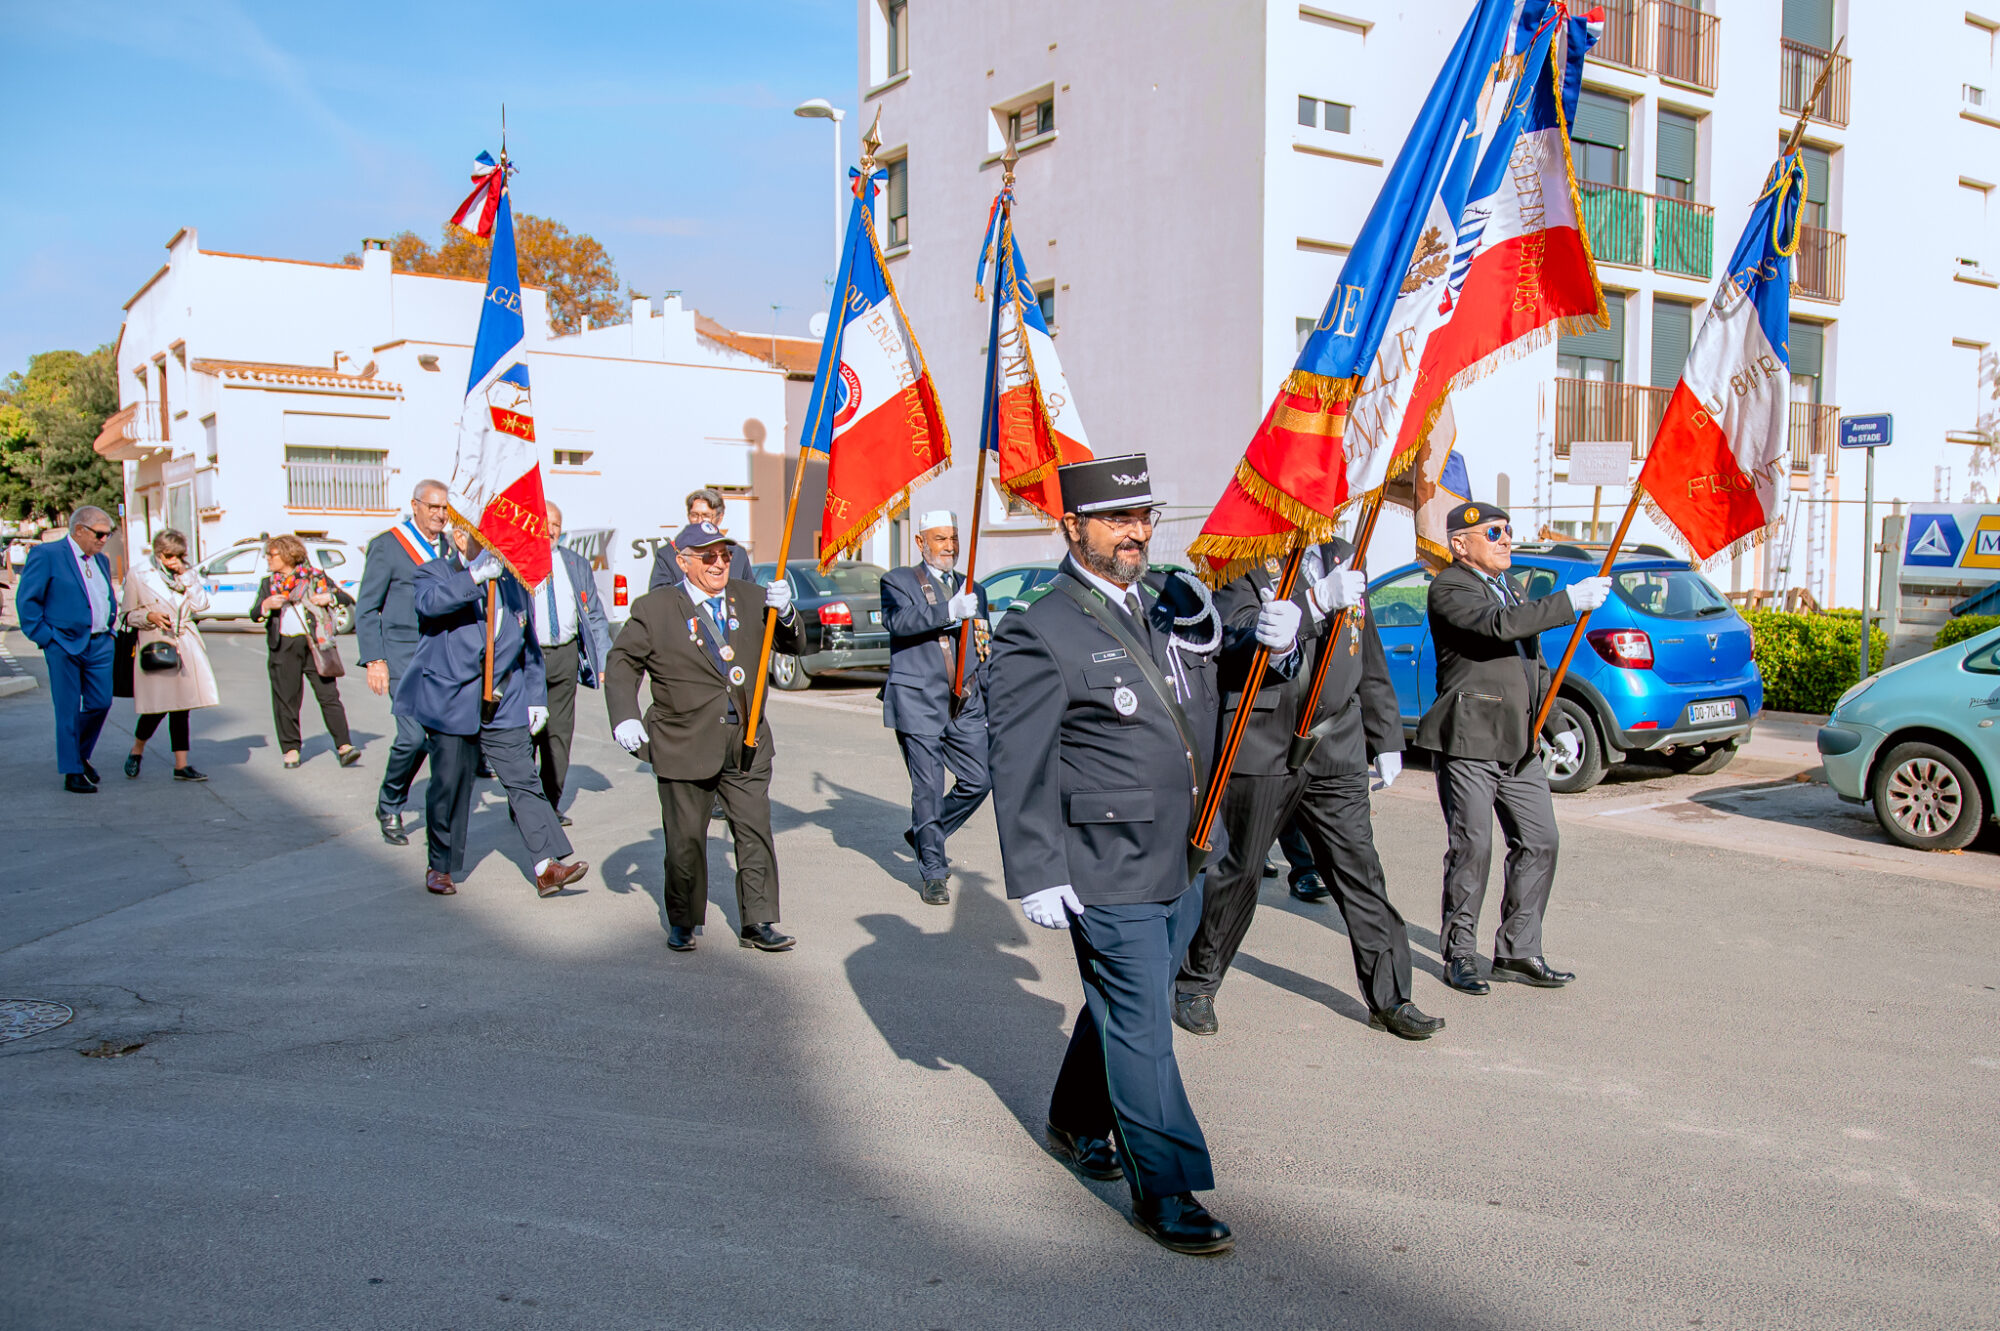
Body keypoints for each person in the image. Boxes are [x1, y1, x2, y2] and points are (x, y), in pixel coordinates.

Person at [986, 453, 1299, 1256]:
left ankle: (1072, 1119)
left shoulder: (1169, 599)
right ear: (1073, 527)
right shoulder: (1040, 626)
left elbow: (1212, 679)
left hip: (1184, 847)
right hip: (1106, 859)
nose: (1136, 532)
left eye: (1142, 517)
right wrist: (1038, 867)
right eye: (1117, 519)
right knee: (1142, 1023)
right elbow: (1018, 757)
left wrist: (1276, 642)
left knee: (1131, 1001)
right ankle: (1165, 1187)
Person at [1174, 538, 1444, 1041]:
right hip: (1264, 737)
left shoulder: (1346, 552)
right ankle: (1196, 982)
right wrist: (1313, 603)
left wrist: (1385, 736)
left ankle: (1391, 997)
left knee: (1360, 871)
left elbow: (1366, 651)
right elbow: (1232, 640)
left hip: (1336, 739)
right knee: (1240, 871)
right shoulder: (1244, 552)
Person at [1416, 502, 1609, 994]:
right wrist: (1569, 600)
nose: (1506, 539)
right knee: (1473, 847)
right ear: (1460, 544)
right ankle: (1460, 952)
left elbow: (1533, 664)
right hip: (1471, 740)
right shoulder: (1451, 586)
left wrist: (1556, 724)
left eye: (1507, 530)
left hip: (1519, 742)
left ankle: (1518, 950)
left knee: (1541, 840)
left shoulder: (1511, 586)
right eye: (1493, 532)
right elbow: (1498, 625)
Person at [607, 521, 803, 953]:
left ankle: (758, 921)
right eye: (708, 556)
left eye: (725, 555)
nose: (719, 564)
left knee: (754, 831)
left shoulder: (751, 597)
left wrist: (787, 611)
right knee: (685, 839)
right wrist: (625, 717)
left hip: (746, 740)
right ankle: (683, 919)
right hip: (683, 741)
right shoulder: (656, 608)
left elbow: (793, 646)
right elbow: (621, 663)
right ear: (683, 562)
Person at [397, 544, 588, 898]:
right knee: (450, 784)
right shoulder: (436, 572)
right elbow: (429, 604)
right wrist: (473, 578)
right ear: (459, 537)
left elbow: (528, 644)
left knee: (523, 778)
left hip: (504, 696)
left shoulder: (513, 581)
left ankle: (546, 866)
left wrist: (536, 697)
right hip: (453, 698)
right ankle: (440, 865)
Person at [878, 509, 991, 906]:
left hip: (966, 702)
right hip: (918, 701)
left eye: (954, 538)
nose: (949, 546)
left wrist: (991, 698)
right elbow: (899, 621)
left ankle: (925, 833)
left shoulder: (973, 588)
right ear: (921, 542)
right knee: (928, 788)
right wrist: (948, 612)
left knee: (980, 780)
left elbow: (983, 646)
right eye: (940, 539)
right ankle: (934, 871)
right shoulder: (898, 581)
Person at [357, 480, 452, 844]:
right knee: (412, 738)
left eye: (444, 508)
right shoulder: (388, 545)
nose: (440, 515)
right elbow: (367, 608)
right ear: (415, 506)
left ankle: (440, 811)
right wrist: (375, 659)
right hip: (402, 656)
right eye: (433, 507)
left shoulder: (450, 547)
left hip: (442, 656)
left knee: (442, 739)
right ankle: (390, 803)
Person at [16, 507, 119, 793]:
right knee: (68, 710)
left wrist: (110, 630)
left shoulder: (101, 560)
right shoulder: (47, 555)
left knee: (101, 703)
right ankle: (72, 770)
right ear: (79, 530)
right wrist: (47, 638)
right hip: (63, 644)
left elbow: (102, 596)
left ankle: (78, 755)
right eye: (100, 534)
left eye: (108, 534)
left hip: (100, 643)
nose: (104, 540)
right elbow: (27, 602)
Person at [534, 501, 613, 826]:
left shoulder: (575, 563)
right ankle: (524, 802)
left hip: (564, 656)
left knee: (559, 735)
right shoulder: (520, 562)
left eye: (555, 524)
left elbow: (594, 614)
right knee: (526, 734)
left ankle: (549, 804)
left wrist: (604, 658)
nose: (550, 530)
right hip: (529, 658)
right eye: (545, 523)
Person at [252, 535, 360, 770]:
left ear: (288, 555)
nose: (268, 559)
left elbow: (345, 598)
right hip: (283, 646)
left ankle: (344, 746)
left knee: (328, 696)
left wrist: (329, 597)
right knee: (286, 699)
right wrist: (266, 606)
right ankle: (291, 749)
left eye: (272, 554)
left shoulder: (315, 577)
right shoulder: (269, 584)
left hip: (316, 645)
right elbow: (255, 613)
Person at [119, 528, 218, 781]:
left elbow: (201, 605)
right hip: (156, 644)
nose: (175, 561)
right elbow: (126, 615)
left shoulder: (186, 573)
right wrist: (149, 616)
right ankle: (137, 749)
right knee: (157, 707)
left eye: (180, 556)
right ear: (159, 554)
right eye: (170, 556)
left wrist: (187, 576)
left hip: (184, 643)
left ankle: (181, 765)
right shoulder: (138, 574)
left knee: (182, 706)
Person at [648, 488, 752, 590]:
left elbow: (750, 593)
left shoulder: (738, 553)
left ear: (719, 518)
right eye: (694, 515)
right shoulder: (668, 553)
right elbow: (658, 595)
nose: (700, 521)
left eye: (706, 515)